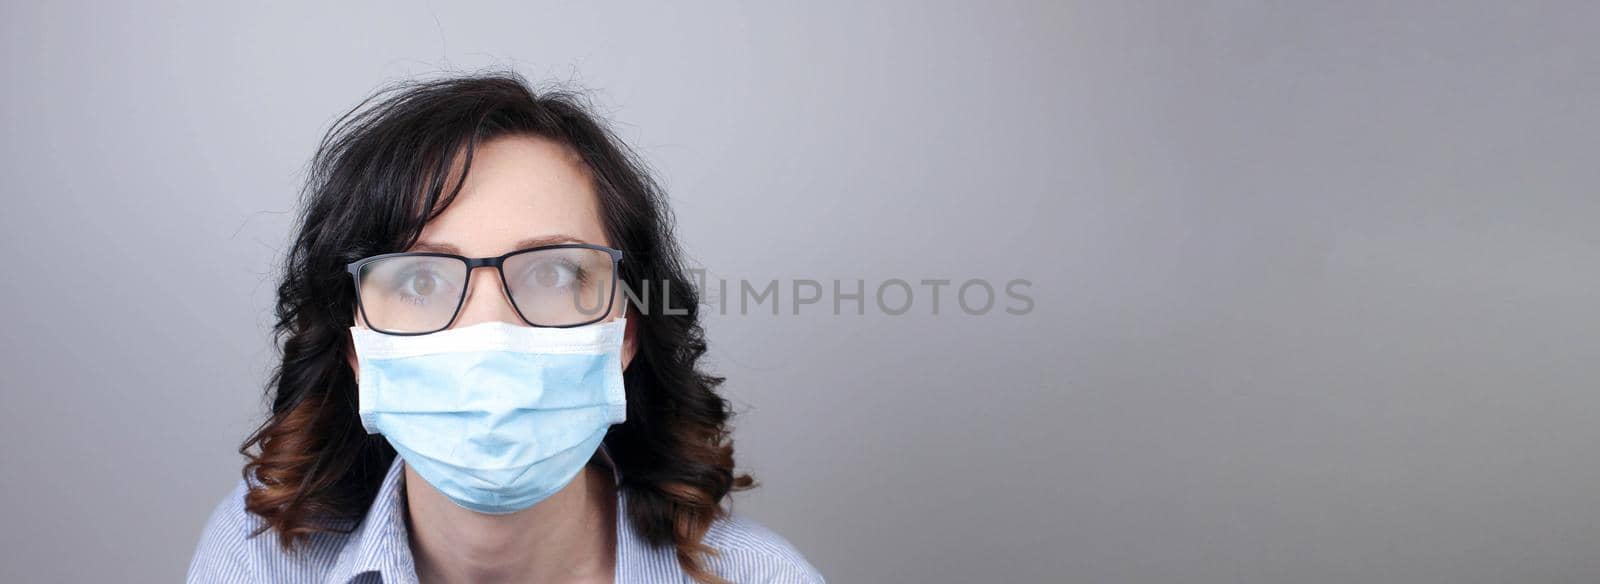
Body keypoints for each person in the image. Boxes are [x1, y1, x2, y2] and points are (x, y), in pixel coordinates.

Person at [187, 71, 824, 584]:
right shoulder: (261, 562)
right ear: (356, 347)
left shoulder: (760, 578)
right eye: (420, 280)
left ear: (625, 331)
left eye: (550, 275)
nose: (489, 330)